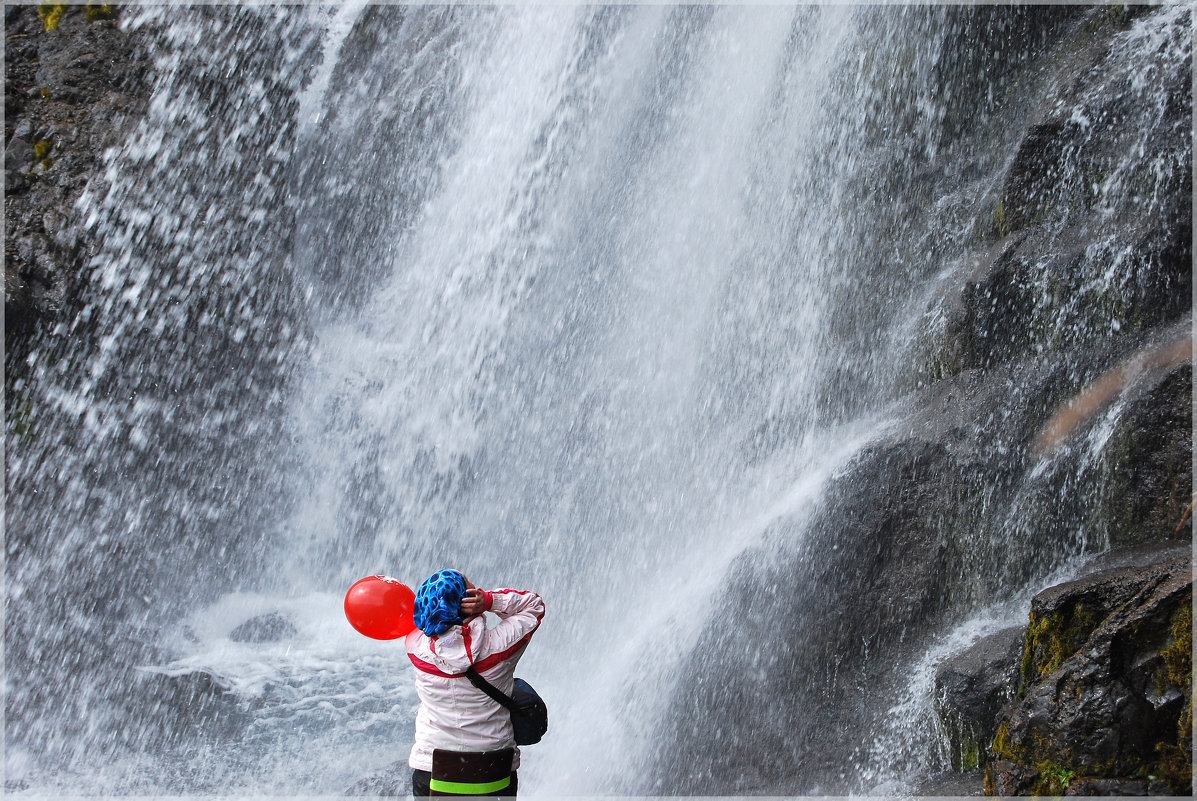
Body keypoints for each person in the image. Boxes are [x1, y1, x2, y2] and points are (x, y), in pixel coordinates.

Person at [405, 569, 544, 797]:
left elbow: (414, 623)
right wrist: (489, 600)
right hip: (493, 772)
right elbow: (534, 605)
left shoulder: (415, 647)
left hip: (432, 770)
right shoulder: (501, 646)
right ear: (467, 602)